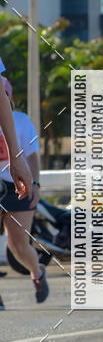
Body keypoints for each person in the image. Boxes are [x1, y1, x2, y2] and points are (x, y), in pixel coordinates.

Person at [0, 76, 48, 305]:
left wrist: (36, 184)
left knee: (18, 244)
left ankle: (37, 270)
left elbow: (31, 156)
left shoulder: (20, 120)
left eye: (4, 94)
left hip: (16, 184)